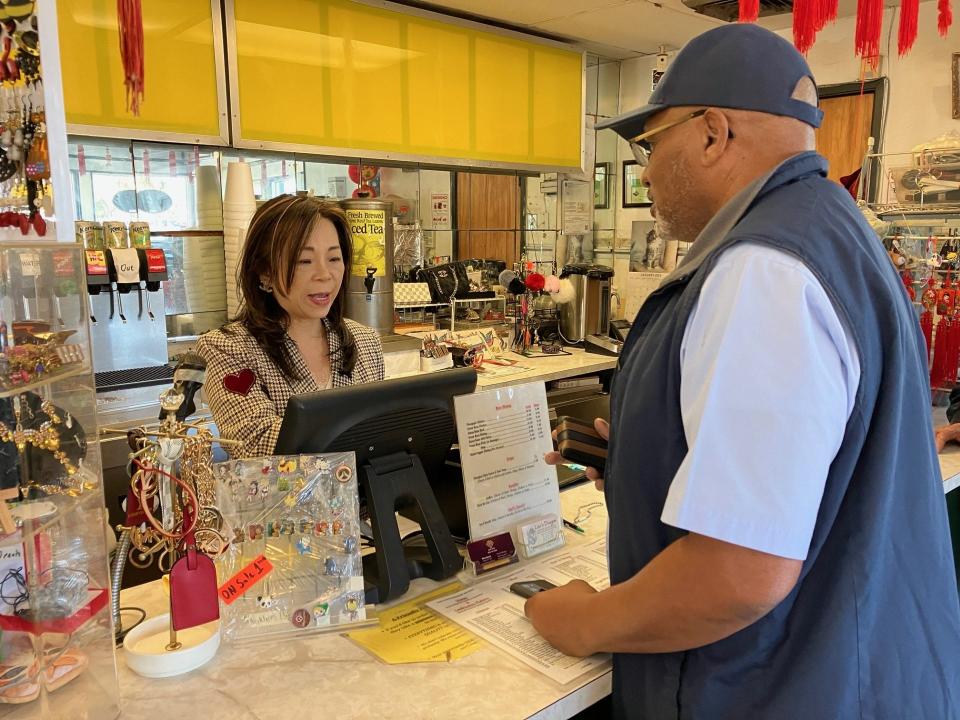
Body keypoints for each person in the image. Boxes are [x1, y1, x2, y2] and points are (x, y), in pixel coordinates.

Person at [525, 24, 960, 719]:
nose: (643, 171)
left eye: (648, 144)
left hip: (780, 687)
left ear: (712, 133)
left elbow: (738, 575)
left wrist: (584, 620)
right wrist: (653, 459)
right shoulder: (835, 233)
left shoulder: (762, 270)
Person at [197, 195, 384, 458]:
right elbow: (254, 442)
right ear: (265, 272)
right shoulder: (227, 347)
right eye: (303, 261)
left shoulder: (364, 340)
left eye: (333, 258)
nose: (324, 274)